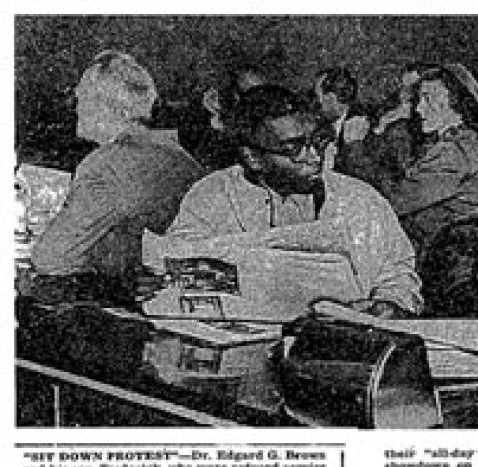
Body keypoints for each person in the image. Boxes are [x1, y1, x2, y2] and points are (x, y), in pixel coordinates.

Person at [151, 86, 423, 317]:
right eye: (293, 149)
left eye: (317, 142)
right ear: (252, 158)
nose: (313, 157)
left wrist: (390, 303)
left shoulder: (360, 199)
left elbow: (397, 270)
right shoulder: (211, 195)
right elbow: (179, 267)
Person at [30, 50, 205, 302]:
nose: (76, 106)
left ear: (108, 107)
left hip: (125, 306)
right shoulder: (183, 158)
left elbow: (49, 258)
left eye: (83, 98)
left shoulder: (106, 165)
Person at [380, 64, 478, 259]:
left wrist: (356, 145)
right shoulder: (459, 146)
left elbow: (393, 202)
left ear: (456, 103)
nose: (418, 108)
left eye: (428, 98)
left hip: (445, 266)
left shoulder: (454, 154)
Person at [313, 66, 371, 172]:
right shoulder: (323, 127)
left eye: (318, 97)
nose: (317, 104)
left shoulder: (359, 124)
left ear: (331, 97)